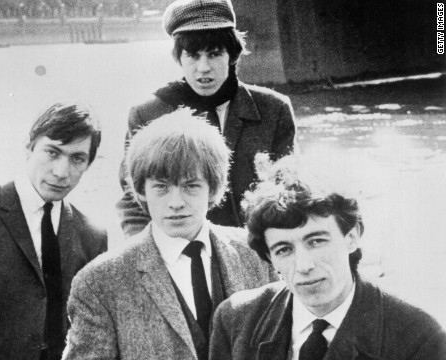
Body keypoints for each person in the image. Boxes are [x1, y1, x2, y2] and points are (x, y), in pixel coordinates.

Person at [63, 109, 276, 360]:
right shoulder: (98, 282)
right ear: (141, 190)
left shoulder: (258, 254)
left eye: (191, 186)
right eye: (161, 187)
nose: (176, 202)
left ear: (213, 187)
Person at [210, 157, 446, 360]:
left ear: (351, 237)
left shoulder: (418, 336)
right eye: (284, 249)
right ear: (269, 257)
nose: (303, 266)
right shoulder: (236, 319)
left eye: (316, 242)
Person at [0, 102, 107, 360]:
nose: (61, 172)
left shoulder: (92, 236)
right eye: (52, 152)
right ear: (28, 148)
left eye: (77, 158)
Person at [117, 0, 296, 236]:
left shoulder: (274, 110)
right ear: (178, 58)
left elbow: (288, 193)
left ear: (233, 55)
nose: (203, 68)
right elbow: (133, 201)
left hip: (253, 249)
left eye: (214, 54)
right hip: (177, 252)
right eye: (192, 55)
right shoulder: (147, 114)